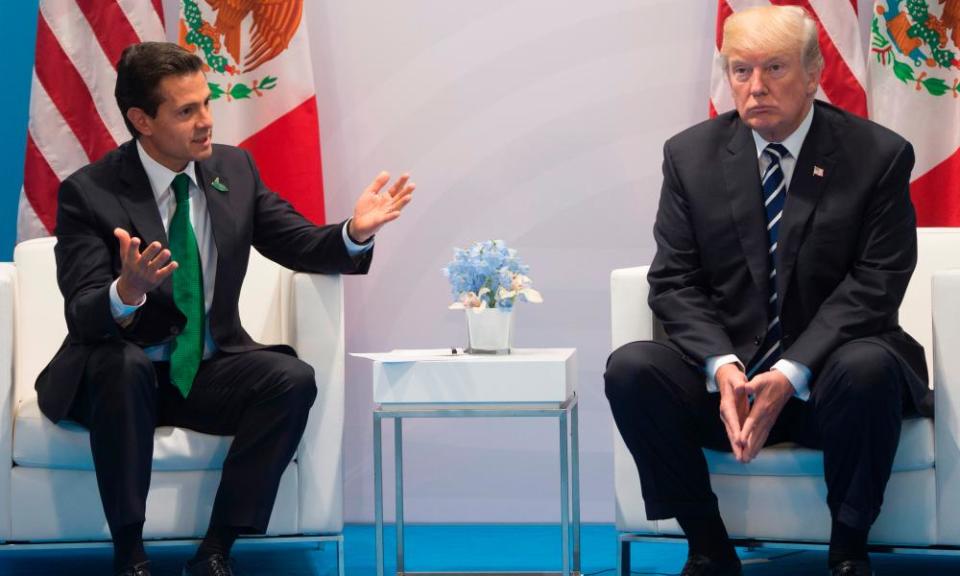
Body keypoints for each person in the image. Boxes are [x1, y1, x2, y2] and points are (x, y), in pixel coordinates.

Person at [35, 41, 414, 576]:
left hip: (204, 372)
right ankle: (130, 557)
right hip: (116, 379)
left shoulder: (232, 168)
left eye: (206, 103)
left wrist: (354, 233)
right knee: (124, 365)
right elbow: (83, 313)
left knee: (290, 377)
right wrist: (127, 290)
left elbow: (299, 242)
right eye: (186, 111)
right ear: (141, 120)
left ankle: (216, 550)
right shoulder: (89, 193)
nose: (206, 121)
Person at [604, 6, 930, 576]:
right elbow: (674, 280)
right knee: (632, 368)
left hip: (831, 383)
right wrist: (722, 366)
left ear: (812, 72)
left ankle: (848, 550)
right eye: (740, 71)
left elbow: (876, 284)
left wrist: (791, 371)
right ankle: (708, 547)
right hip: (729, 388)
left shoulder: (877, 155)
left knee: (867, 367)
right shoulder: (690, 156)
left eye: (775, 68)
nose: (755, 88)